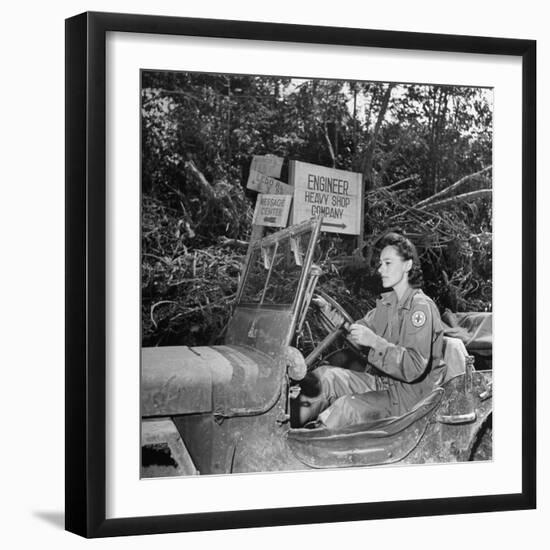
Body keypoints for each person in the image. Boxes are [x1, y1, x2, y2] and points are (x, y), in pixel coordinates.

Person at [297, 232, 446, 430]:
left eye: (388, 263)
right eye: (380, 264)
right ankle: (282, 423)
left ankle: (310, 449)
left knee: (346, 408)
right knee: (325, 377)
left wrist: (375, 342)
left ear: (407, 265)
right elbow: (356, 331)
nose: (380, 270)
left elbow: (414, 367)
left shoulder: (420, 308)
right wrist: (328, 313)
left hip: (413, 399)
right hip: (387, 385)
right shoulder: (387, 304)